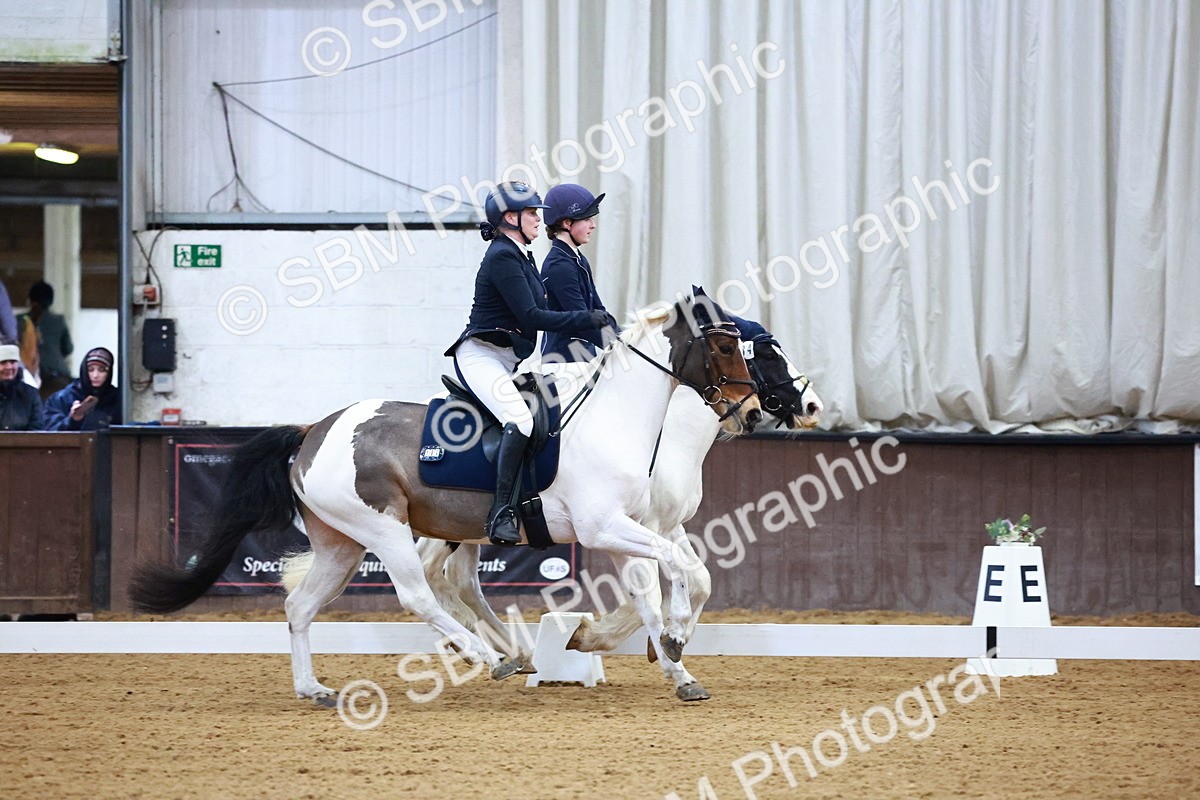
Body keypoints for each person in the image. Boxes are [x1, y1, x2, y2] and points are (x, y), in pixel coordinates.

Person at [445, 181, 609, 546]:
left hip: (507, 359)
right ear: (509, 217)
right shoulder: (502, 255)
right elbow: (533, 316)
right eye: (532, 212)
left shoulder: (523, 254)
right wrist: (586, 319)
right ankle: (501, 513)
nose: (539, 218)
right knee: (518, 419)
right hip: (481, 356)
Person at [539, 183, 620, 362]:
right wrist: (622, 347)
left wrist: (626, 337)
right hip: (563, 362)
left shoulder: (578, 259)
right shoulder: (559, 266)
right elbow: (582, 321)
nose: (593, 225)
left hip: (584, 357)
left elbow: (599, 311)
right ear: (567, 223)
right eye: (587, 219)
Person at [43, 347, 122, 431]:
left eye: (101, 370)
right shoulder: (61, 398)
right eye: (90, 370)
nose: (95, 375)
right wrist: (72, 419)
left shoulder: (117, 399)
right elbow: (50, 434)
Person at [27, 280, 74, 398]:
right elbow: (68, 348)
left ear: (30, 300)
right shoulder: (58, 321)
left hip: (28, 376)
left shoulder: (19, 321)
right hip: (57, 376)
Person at [0, 343, 45, 431]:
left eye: (13, 362)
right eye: (3, 363)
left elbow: (37, 427)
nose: (9, 367)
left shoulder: (31, 394)